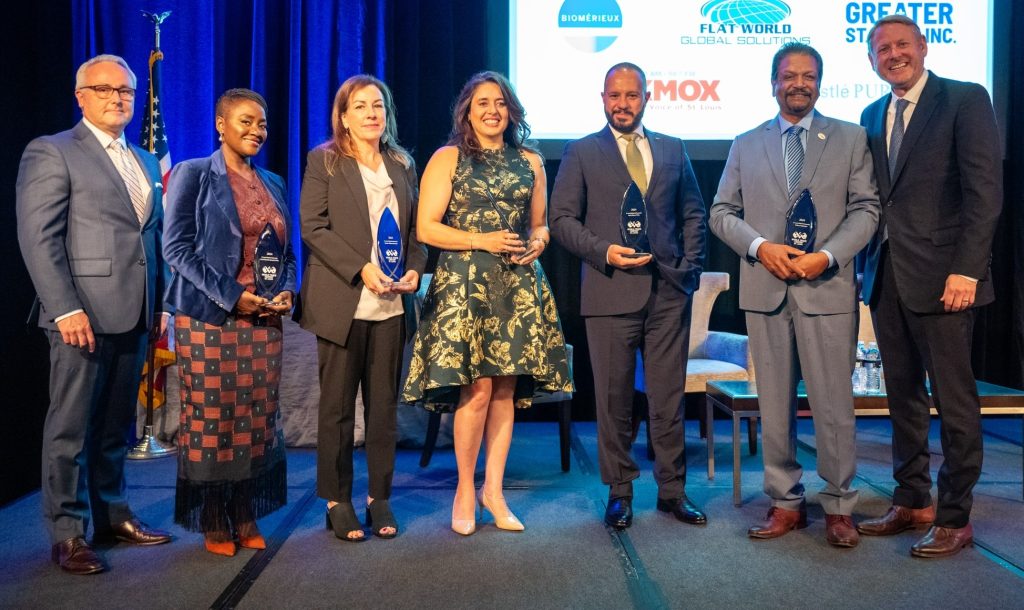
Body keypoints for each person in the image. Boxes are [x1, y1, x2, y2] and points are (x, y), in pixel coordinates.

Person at [710, 43, 879, 547]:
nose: (798, 83)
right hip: (766, 291)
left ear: (820, 83)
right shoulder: (745, 143)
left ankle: (839, 507)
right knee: (774, 406)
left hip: (826, 289)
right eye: (788, 76)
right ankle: (784, 503)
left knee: (833, 405)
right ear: (773, 83)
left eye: (808, 76)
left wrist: (825, 257)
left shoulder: (850, 138)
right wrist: (760, 248)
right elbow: (722, 212)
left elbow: (866, 210)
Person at [15, 54, 173, 575]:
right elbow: (39, 239)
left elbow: (149, 240)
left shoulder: (147, 161)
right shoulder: (52, 151)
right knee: (70, 429)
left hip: (136, 312)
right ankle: (68, 533)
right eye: (104, 89)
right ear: (80, 95)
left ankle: (113, 516)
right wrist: (64, 308)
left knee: (114, 428)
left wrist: (161, 305)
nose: (117, 98)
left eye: (125, 91)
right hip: (78, 316)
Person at [855, 15, 1002, 558]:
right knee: (903, 400)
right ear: (871, 60)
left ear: (923, 46)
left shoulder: (965, 98)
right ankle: (912, 499)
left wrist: (967, 270)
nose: (893, 55)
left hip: (946, 281)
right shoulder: (872, 113)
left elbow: (984, 193)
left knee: (955, 403)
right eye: (881, 49)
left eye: (901, 45)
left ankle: (955, 517)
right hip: (887, 276)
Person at [403, 71, 572, 536]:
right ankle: (463, 489)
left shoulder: (531, 161)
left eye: (500, 102)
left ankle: (493, 492)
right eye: (482, 102)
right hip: (465, 285)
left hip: (518, 284)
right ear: (467, 110)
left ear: (511, 110)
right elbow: (426, 229)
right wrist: (481, 239)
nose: (492, 110)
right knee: (475, 390)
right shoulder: (448, 157)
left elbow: (540, 225)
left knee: (505, 392)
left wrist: (539, 242)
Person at [549, 62, 707, 530]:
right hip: (609, 292)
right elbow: (561, 221)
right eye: (614, 96)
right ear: (603, 98)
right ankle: (619, 493)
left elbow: (694, 214)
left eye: (631, 95)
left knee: (667, 400)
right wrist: (604, 253)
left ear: (646, 97)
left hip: (668, 293)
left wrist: (689, 269)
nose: (623, 103)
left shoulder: (673, 148)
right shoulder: (580, 152)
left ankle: (672, 492)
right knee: (613, 401)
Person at [295, 75, 426, 542]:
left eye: (378, 105)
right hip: (342, 302)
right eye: (361, 106)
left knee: (383, 409)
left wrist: (414, 270)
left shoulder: (403, 163)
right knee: (335, 409)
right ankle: (337, 500)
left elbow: (416, 234)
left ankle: (379, 497)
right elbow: (313, 227)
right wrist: (361, 269)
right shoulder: (324, 161)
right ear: (344, 117)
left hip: (392, 306)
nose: (372, 113)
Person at [163, 88, 294, 556]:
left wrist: (286, 290)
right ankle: (214, 516)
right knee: (214, 418)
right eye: (245, 121)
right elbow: (175, 249)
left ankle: (245, 509)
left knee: (257, 417)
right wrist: (233, 296)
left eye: (262, 123)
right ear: (221, 124)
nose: (256, 130)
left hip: (265, 322)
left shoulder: (274, 182)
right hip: (210, 320)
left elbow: (286, 254)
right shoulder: (193, 174)